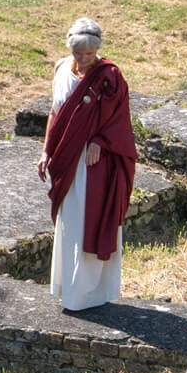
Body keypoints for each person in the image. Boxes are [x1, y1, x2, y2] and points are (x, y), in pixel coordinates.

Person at [36, 17, 137, 311]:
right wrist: (45, 152)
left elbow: (120, 121)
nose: (83, 60)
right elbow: (55, 114)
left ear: (98, 51)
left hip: (96, 165)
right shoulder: (60, 69)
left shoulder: (110, 77)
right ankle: (68, 288)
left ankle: (90, 294)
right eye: (78, 54)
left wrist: (100, 142)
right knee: (70, 224)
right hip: (67, 160)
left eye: (89, 55)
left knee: (90, 222)